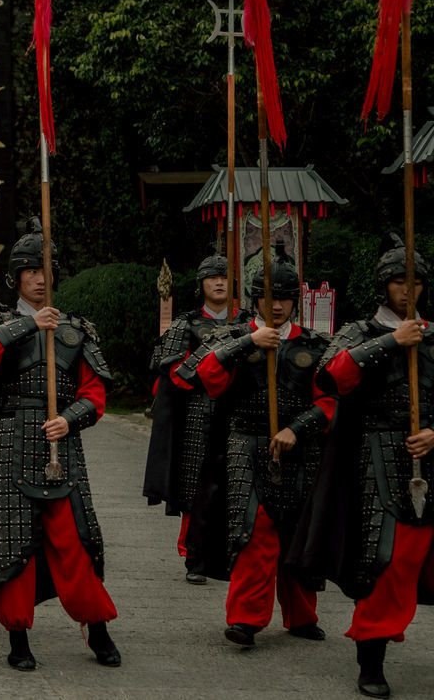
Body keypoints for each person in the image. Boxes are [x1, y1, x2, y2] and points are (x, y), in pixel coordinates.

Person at [0, 218, 121, 671]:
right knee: (12, 545)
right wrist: (29, 327)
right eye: (31, 271)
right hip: (9, 441)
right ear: (16, 277)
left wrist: (70, 419)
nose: (40, 279)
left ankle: (97, 626)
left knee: (77, 542)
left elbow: (95, 394)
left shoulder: (75, 329)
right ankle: (17, 636)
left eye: (46, 270)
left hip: (60, 444)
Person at [293, 237, 434, 697]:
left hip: (428, 453)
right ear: (383, 285)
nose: (407, 290)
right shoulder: (359, 331)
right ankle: (371, 658)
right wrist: (393, 340)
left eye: (415, 282)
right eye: (398, 281)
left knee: (417, 556)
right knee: (383, 558)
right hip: (374, 452)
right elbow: (332, 376)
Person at [175, 253, 330, 648]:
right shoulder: (232, 338)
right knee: (253, 530)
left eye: (284, 298)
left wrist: (297, 428)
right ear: (255, 299)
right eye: (267, 297)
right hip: (245, 446)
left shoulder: (315, 345)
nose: (275, 306)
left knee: (296, 530)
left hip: (300, 448)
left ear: (295, 300)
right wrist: (247, 341)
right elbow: (206, 379)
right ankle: (246, 617)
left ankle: (301, 615)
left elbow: (330, 400)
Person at [144, 254, 249, 584]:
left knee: (238, 485)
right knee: (195, 486)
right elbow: (172, 371)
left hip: (239, 412)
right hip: (196, 414)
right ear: (201, 284)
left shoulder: (248, 323)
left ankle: (234, 556)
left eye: (224, 277)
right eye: (212, 277)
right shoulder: (184, 325)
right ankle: (195, 557)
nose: (219, 282)